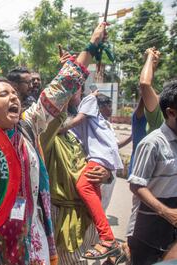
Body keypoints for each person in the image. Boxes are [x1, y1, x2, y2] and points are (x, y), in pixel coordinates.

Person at [0, 22, 107, 265]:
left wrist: (91, 46)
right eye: (3, 94)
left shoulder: (28, 127)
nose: (13, 97)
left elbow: (62, 86)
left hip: (29, 234)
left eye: (14, 94)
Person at [59, 90, 123, 260]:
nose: (69, 92)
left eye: (75, 88)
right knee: (91, 189)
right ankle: (107, 238)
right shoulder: (59, 117)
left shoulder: (86, 104)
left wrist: (61, 129)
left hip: (99, 156)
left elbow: (78, 120)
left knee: (84, 185)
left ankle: (108, 238)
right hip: (62, 203)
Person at [127, 81, 177, 265]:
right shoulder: (152, 143)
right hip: (148, 228)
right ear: (171, 113)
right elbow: (136, 185)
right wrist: (168, 213)